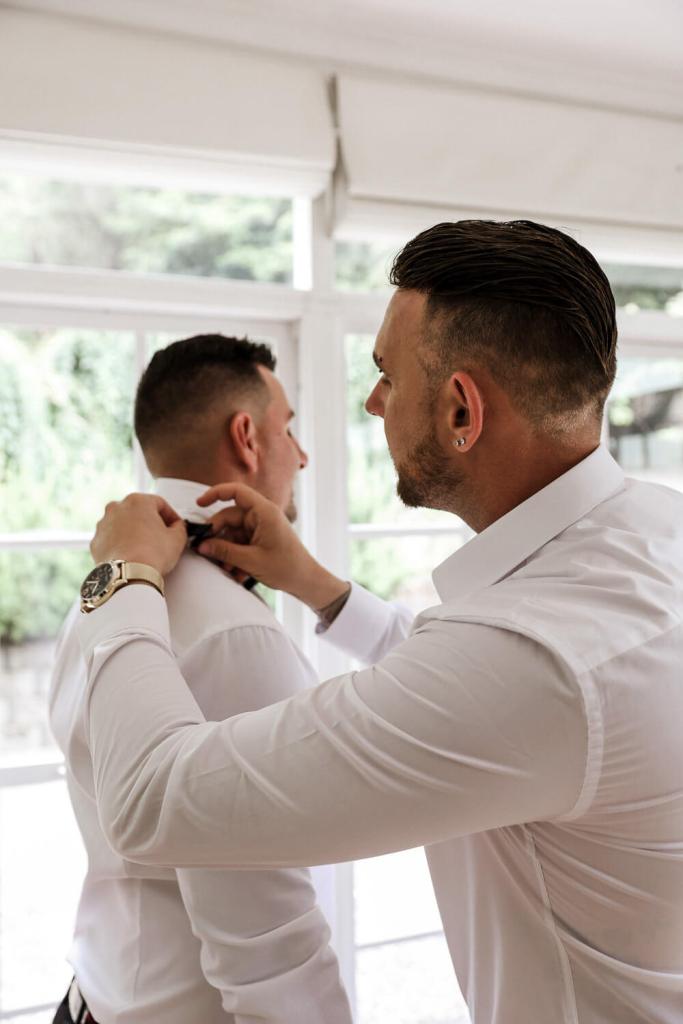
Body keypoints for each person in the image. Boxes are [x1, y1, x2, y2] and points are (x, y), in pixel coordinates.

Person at [75, 221, 682, 1024]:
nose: (371, 402)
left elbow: (153, 802)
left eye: (386, 376)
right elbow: (480, 699)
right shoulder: (652, 533)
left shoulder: (532, 658)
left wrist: (119, 577)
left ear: (462, 409)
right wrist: (318, 587)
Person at [49, 335, 352, 1024]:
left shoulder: (102, 590)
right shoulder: (233, 632)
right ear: (245, 438)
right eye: (289, 429)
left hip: (97, 995)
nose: (301, 454)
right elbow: (267, 941)